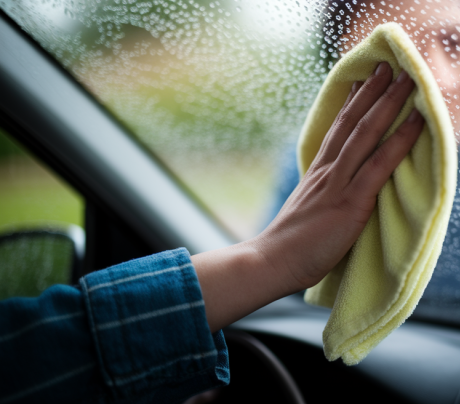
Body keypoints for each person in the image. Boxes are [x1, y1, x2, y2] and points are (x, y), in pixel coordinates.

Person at [0, 65, 424, 403]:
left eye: (452, 43)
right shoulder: (295, 161)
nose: (428, 70)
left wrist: (270, 259)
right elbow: (25, 362)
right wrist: (271, 259)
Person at [270, 0, 460, 316]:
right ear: (344, 69)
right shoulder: (309, 160)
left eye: (455, 43)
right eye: (399, 50)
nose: (437, 80)